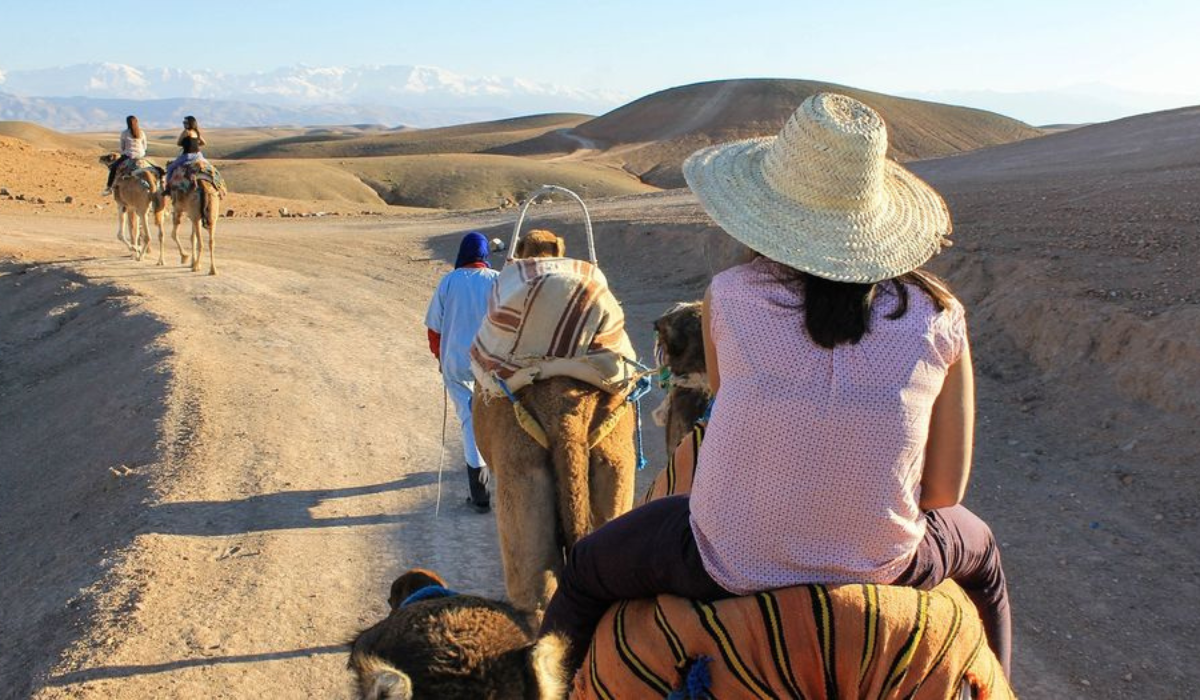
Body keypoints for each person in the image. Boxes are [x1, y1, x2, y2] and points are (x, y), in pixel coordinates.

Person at [538, 93, 1012, 677]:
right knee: (983, 554)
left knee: (585, 570)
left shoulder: (729, 294)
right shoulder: (941, 315)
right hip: (884, 563)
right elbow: (941, 492)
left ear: (766, 210)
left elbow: (723, 396)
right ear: (878, 216)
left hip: (726, 564)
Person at [425, 232, 500, 513]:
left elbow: (434, 328)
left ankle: (480, 494)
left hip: (456, 364)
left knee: (470, 421)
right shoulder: (498, 280)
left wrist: (441, 358)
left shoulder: (449, 281)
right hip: (493, 365)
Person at [102, 115, 148, 196]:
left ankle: (109, 188)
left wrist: (125, 152)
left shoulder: (124, 133)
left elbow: (122, 147)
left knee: (113, 168)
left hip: (128, 155)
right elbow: (145, 146)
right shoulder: (142, 132)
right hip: (140, 155)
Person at [165, 115, 207, 189]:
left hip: (187, 156)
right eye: (183, 122)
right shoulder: (196, 132)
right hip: (198, 155)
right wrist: (195, 144)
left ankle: (168, 188)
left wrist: (186, 144)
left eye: (185, 122)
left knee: (170, 168)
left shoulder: (186, 132)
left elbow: (178, 143)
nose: (184, 124)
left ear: (190, 123)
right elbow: (204, 143)